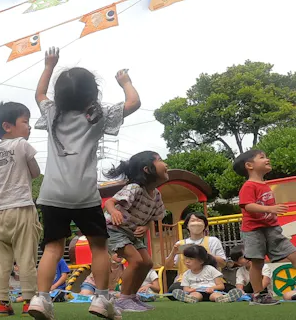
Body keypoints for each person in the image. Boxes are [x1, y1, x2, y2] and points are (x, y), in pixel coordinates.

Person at [29, 47, 140, 320]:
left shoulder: (52, 113)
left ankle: (41, 299)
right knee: (98, 246)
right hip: (85, 195)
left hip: (51, 193)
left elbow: (39, 94)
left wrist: (49, 66)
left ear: (60, 95)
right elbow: (133, 103)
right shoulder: (98, 115)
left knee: (53, 247)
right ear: (93, 94)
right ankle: (102, 299)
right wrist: (125, 82)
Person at [0, 101, 41, 316]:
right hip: (21, 207)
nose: (29, 127)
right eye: (25, 122)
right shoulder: (21, 144)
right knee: (26, 256)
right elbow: (35, 172)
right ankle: (29, 300)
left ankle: (1, 301)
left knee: (1, 259)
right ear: (8, 126)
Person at [104, 151, 168, 312]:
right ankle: (123, 299)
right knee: (136, 261)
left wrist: (146, 226)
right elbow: (110, 202)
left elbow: (154, 217)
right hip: (114, 229)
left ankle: (132, 297)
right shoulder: (134, 188)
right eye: (160, 160)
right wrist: (114, 212)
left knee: (147, 263)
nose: (165, 164)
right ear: (147, 169)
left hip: (131, 233)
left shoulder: (157, 195)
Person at [235, 149, 296, 305]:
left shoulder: (265, 185)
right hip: (254, 230)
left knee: (293, 254)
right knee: (257, 262)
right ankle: (258, 295)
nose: (267, 159)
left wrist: (272, 212)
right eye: (262, 157)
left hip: (272, 229)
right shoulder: (248, 186)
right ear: (249, 165)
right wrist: (270, 209)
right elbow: (248, 205)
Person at [164, 212, 229, 296]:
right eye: (193, 220)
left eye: (199, 220)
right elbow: (168, 266)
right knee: (174, 289)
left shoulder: (213, 241)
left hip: (210, 281)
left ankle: (198, 295)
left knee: (228, 288)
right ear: (187, 225)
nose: (196, 223)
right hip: (186, 282)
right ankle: (203, 295)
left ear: (204, 225)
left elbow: (223, 263)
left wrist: (202, 253)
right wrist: (173, 252)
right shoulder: (181, 243)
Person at [171, 245, 242, 303]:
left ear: (201, 261)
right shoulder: (186, 274)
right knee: (195, 295)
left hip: (212, 291)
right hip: (197, 291)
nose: (187, 262)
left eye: (191, 259)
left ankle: (223, 298)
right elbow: (185, 288)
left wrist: (212, 288)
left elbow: (221, 286)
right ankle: (190, 299)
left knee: (215, 295)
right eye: (185, 258)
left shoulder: (210, 269)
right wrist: (190, 290)